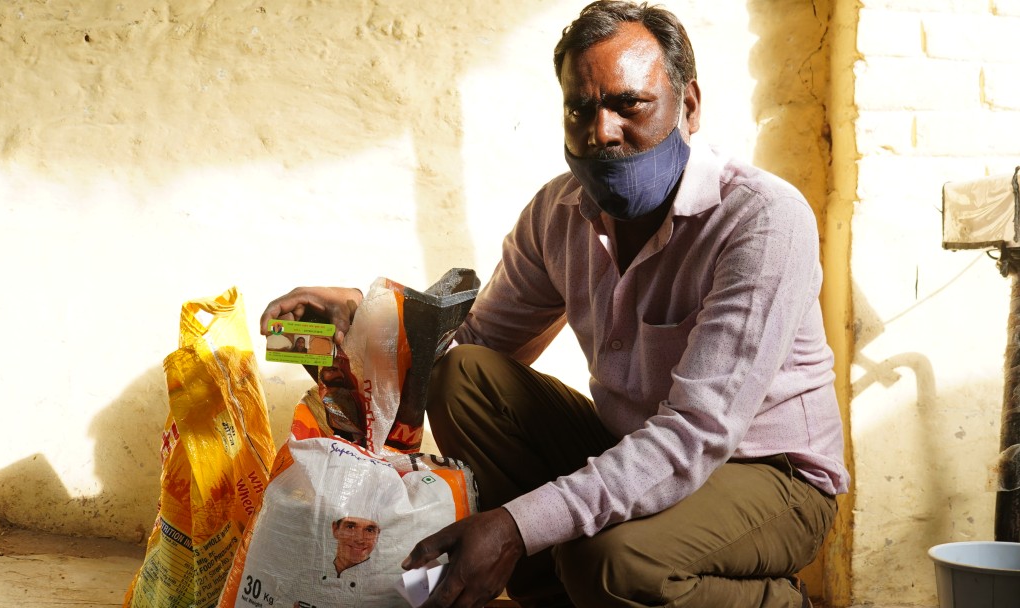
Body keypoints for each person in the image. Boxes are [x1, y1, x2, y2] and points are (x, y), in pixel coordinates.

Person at [260, 2, 849, 606]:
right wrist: (367, 326)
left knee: (613, 564)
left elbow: (696, 432)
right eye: (581, 109)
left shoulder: (761, 219)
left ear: (688, 106)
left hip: (767, 475)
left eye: (629, 104)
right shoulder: (558, 214)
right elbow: (471, 353)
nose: (603, 131)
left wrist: (517, 525)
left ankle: (779, 602)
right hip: (636, 445)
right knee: (464, 380)